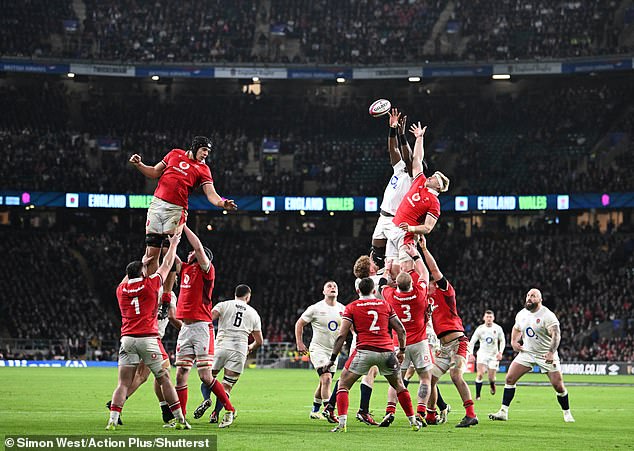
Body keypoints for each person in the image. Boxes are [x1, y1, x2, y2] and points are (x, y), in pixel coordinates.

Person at [129, 136, 237, 316]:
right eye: (204, 150)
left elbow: (211, 194)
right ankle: (150, 293)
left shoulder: (203, 170)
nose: (206, 155)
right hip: (156, 205)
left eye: (208, 152)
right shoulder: (174, 154)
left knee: (168, 251)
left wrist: (223, 203)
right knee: (150, 255)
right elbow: (155, 172)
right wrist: (139, 165)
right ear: (195, 147)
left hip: (176, 210)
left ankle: (166, 298)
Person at [106, 233, 188, 430]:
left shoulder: (121, 290)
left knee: (125, 382)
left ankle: (113, 418)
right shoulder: (153, 286)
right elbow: (167, 266)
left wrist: (143, 261)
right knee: (161, 377)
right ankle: (178, 418)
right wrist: (174, 244)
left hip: (127, 339)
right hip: (150, 337)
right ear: (143, 273)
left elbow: (124, 281)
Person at [323, 277, 421, 432]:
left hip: (364, 351)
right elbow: (401, 330)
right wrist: (401, 351)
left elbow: (342, 336)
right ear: (374, 291)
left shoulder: (351, 307)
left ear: (358, 291)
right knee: (399, 386)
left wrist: (332, 359)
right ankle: (413, 422)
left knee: (343, 384)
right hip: (386, 352)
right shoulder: (385, 305)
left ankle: (342, 424)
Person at [173, 225, 236, 428]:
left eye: (192, 251)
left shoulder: (207, 271)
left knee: (205, 375)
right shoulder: (184, 269)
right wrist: (167, 236)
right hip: (185, 328)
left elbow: (199, 248)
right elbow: (170, 257)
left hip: (202, 327)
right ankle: (181, 418)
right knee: (181, 373)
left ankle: (230, 408)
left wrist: (183, 227)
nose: (190, 252)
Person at [489, 289, 574, 423]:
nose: (529, 298)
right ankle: (503, 412)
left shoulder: (548, 315)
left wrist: (551, 352)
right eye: (528, 295)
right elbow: (516, 328)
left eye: (533, 296)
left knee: (558, 386)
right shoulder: (522, 314)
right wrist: (514, 342)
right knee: (510, 379)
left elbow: (556, 335)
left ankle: (567, 413)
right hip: (527, 352)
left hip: (545, 354)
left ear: (540, 299)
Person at [420, 239, 478, 428]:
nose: (426, 287)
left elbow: (434, 270)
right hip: (443, 347)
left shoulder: (445, 292)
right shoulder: (428, 301)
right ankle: (431, 414)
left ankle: (471, 414)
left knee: (455, 375)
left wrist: (423, 250)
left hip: (458, 342)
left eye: (429, 284)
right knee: (430, 379)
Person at [106, 287, 181, 424]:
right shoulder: (169, 294)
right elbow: (172, 316)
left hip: (137, 334)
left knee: (147, 375)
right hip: (152, 338)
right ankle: (167, 412)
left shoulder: (148, 288)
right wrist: (186, 330)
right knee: (152, 375)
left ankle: (165, 410)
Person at [193, 284, 263, 424]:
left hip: (220, 346)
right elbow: (259, 341)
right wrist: (251, 347)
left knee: (208, 378)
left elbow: (208, 319)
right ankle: (215, 414)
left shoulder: (224, 305)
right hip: (239, 349)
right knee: (226, 386)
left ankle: (206, 399)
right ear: (248, 297)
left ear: (235, 294)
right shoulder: (253, 313)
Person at [380, 243, 433, 427]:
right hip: (419, 342)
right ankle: (420, 412)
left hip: (399, 344)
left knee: (397, 379)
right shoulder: (420, 293)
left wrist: (387, 270)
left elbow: (382, 285)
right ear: (412, 283)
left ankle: (390, 410)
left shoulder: (391, 296)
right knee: (425, 378)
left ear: (397, 286)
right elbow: (425, 274)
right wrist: (416, 255)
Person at [385, 122, 449, 273]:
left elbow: (427, 228)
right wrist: (419, 138)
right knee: (390, 269)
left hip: (406, 235)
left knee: (406, 270)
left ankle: (413, 295)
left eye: (434, 177)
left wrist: (411, 228)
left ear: (438, 186)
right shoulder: (420, 181)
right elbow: (418, 160)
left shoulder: (434, 203)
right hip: (394, 227)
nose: (430, 176)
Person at [369, 108, 414, 269]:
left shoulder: (413, 176)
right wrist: (392, 128)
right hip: (383, 216)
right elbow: (393, 150)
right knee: (376, 252)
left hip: (396, 220)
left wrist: (402, 134)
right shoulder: (399, 168)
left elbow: (408, 156)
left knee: (393, 261)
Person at [294, 281, 345, 420]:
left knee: (324, 382)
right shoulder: (315, 308)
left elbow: (350, 327)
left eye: (335, 286)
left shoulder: (343, 309)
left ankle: (315, 410)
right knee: (327, 378)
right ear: (323, 291)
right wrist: (299, 342)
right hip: (318, 349)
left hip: (334, 352)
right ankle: (329, 411)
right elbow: (300, 323)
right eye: (329, 286)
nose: (332, 288)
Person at [468, 310, 505, 400]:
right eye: (487, 317)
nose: (489, 319)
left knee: (491, 378)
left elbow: (502, 340)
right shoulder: (480, 329)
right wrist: (470, 354)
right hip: (482, 354)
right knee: (480, 374)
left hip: (494, 355)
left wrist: (500, 352)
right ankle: (477, 395)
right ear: (484, 318)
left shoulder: (498, 328)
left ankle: (492, 384)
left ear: (493, 318)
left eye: (490, 317)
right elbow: (472, 342)